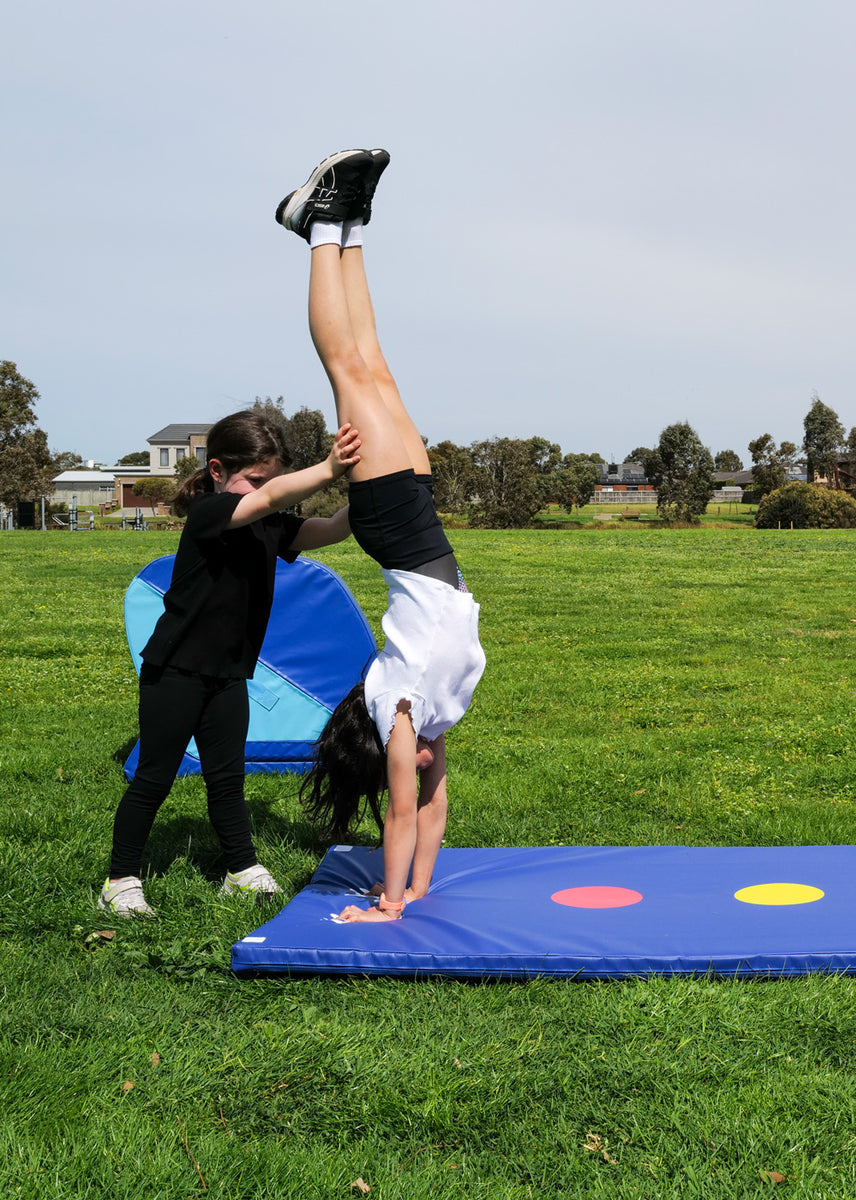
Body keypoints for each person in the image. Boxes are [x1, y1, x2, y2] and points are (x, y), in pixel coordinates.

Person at [284, 149, 486, 923]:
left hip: (396, 532)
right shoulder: (429, 723)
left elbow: (399, 816)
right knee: (379, 369)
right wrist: (424, 888)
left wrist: (390, 903)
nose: (428, 772)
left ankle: (312, 230)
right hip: (420, 521)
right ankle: (350, 225)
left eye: (413, 769)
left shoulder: (396, 709)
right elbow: (429, 817)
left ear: (386, 754)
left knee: (345, 368)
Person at [99, 411, 361, 916]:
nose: (270, 491)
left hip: (228, 673)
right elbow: (264, 499)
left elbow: (328, 530)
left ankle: (240, 869)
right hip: (175, 670)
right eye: (259, 479)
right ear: (216, 470)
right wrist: (328, 468)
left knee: (227, 775)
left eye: (274, 480)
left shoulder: (267, 521)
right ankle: (121, 879)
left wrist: (368, 492)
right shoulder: (210, 513)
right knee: (155, 776)